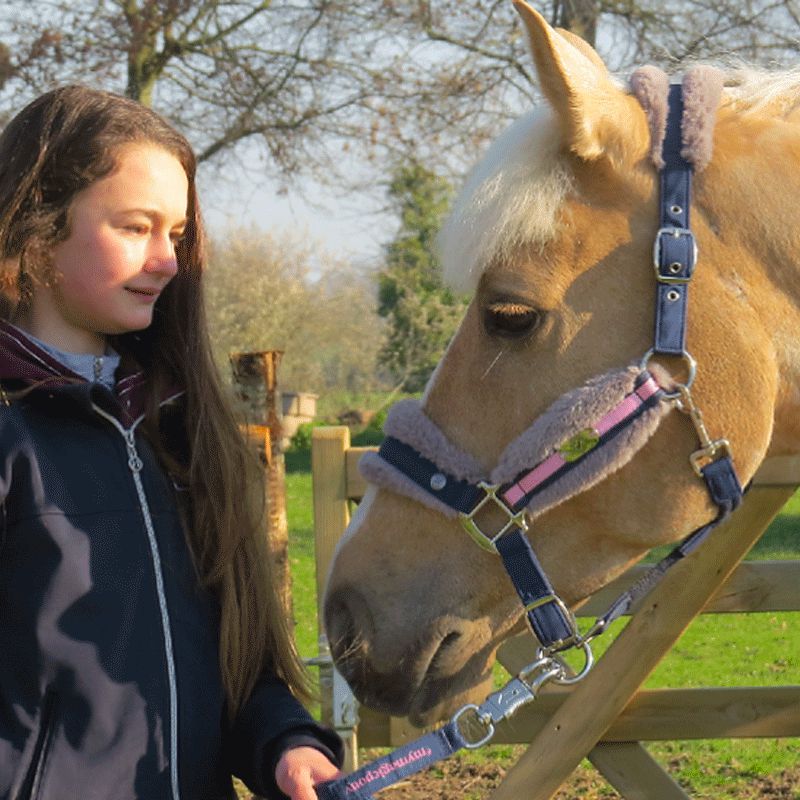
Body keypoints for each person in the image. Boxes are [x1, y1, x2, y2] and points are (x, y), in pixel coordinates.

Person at [0, 85, 343, 800]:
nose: (168, 260)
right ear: (37, 224)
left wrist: (286, 745)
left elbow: (235, 659)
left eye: (179, 235)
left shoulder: (181, 428)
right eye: (135, 227)